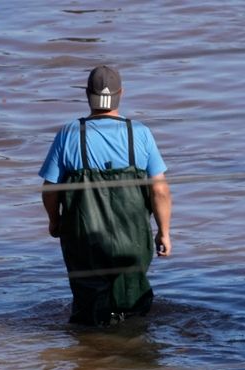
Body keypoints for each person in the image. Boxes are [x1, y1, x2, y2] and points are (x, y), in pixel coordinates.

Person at [38, 65, 171, 326]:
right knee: (133, 306)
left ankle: (91, 356)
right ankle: (132, 352)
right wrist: (163, 231)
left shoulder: (69, 133)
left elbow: (50, 190)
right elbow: (160, 190)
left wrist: (54, 221)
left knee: (88, 311)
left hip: (84, 239)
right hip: (132, 239)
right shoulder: (140, 133)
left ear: (88, 94)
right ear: (121, 93)